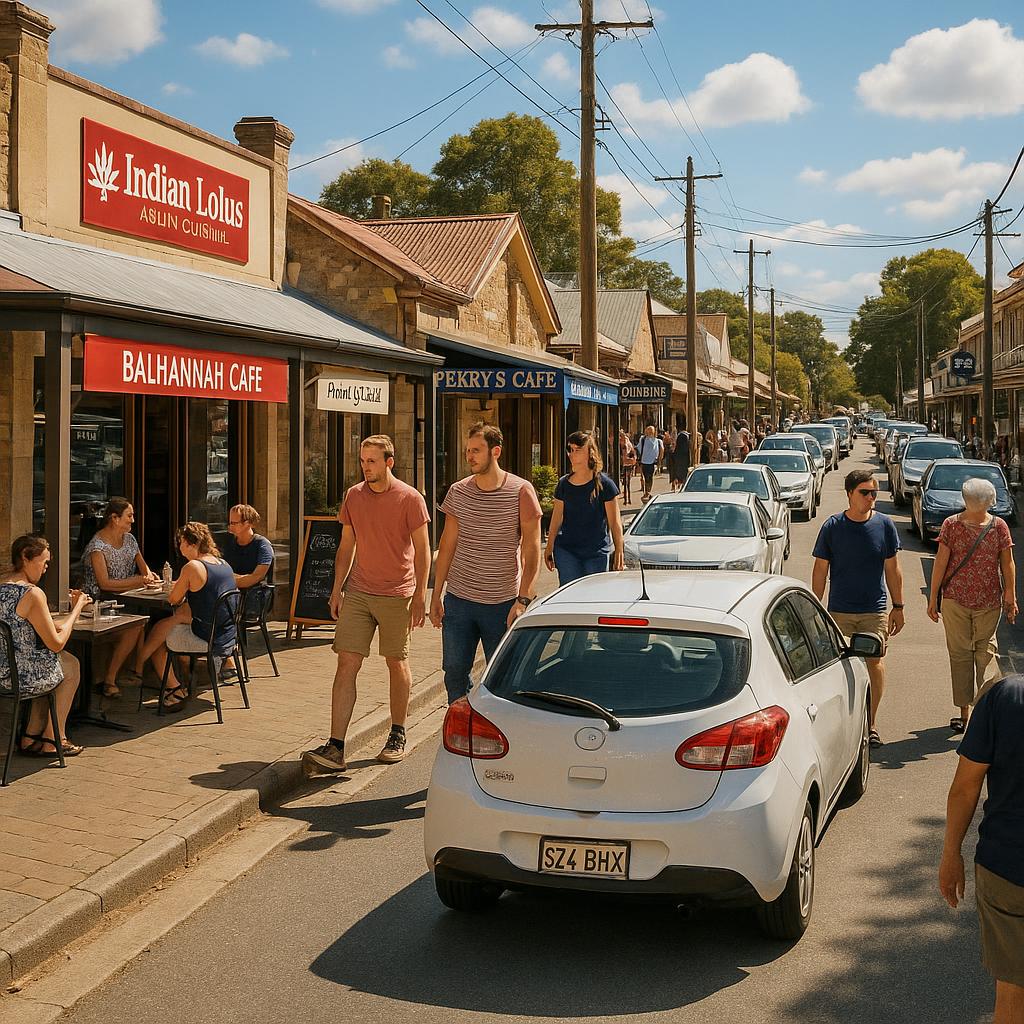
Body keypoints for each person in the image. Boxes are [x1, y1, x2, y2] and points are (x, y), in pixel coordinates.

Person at [302, 435, 430, 774]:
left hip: (397, 593)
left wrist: (421, 594)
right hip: (359, 591)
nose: (365, 467)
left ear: (389, 462)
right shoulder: (354, 496)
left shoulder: (410, 498)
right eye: (362, 461)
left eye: (371, 461)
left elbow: (422, 550)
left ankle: (397, 733)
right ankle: (335, 748)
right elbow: (346, 545)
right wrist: (336, 589)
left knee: (396, 661)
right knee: (346, 662)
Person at [430, 422, 542, 704]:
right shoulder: (458, 492)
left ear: (496, 451)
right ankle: (460, 723)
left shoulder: (521, 491)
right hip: (459, 601)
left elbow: (532, 550)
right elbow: (447, 546)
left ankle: (495, 723)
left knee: (502, 677)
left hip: (502, 604)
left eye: (476, 450)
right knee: (454, 672)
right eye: (468, 450)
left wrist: (523, 599)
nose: (470, 456)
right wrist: (436, 595)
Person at [939, 675, 1024, 1024]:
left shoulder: (1005, 696)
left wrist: (951, 854)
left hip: (1006, 869)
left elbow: (965, 786)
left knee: (1012, 993)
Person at [811, 469, 904, 747]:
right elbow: (820, 569)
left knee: (875, 662)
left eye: (874, 492)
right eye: (865, 492)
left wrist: (898, 606)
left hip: (874, 610)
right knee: (838, 667)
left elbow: (893, 569)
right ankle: (841, 724)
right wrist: (815, 607)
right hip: (838, 611)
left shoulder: (884, 525)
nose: (871, 497)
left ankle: (870, 723)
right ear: (850, 493)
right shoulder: (833, 526)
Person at [927, 479, 1017, 732]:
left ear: (965, 499)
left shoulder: (952, 524)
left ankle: (965, 714)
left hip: (956, 600)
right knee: (985, 654)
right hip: (987, 600)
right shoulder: (998, 526)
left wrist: (933, 597)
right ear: (989, 501)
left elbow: (940, 562)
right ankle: (982, 715)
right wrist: (1010, 596)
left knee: (960, 655)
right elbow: (1007, 563)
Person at [0, 535, 87, 757]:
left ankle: (30, 736)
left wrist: (65, 620)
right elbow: (56, 643)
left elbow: (37, 626)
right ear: (25, 557)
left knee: (54, 663)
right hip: (19, 676)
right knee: (70, 665)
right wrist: (77, 609)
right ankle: (54, 738)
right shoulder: (31, 593)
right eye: (44, 562)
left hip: (3, 669)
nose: (46, 568)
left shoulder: (2, 585)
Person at [140, 522, 237, 713]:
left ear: (190, 543)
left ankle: (174, 689)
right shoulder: (222, 563)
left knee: (160, 640)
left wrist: (174, 587)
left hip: (208, 635)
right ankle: (143, 669)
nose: (179, 547)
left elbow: (173, 599)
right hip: (226, 633)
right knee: (170, 624)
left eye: (181, 543)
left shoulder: (192, 566)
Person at [81, 497, 158, 698]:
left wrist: (149, 577)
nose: (133, 520)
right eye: (129, 516)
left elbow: (144, 568)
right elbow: (104, 584)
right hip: (99, 603)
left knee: (146, 616)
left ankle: (136, 671)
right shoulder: (97, 547)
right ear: (115, 518)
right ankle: (111, 678)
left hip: (127, 599)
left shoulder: (130, 539)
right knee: (136, 624)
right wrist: (138, 581)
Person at [544, 430, 624, 586]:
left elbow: (615, 523)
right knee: (570, 592)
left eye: (577, 450)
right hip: (567, 551)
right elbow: (556, 518)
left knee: (593, 595)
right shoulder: (563, 484)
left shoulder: (605, 485)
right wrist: (549, 546)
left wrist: (619, 550)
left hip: (596, 552)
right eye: (570, 449)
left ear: (590, 453)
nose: (572, 454)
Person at [636, 425, 663, 503]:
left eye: (651, 431)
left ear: (654, 432)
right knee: (645, 477)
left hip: (653, 462)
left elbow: (661, 451)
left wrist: (659, 461)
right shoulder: (643, 439)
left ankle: (648, 491)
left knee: (650, 477)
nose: (650, 432)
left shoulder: (658, 441)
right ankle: (646, 492)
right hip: (644, 461)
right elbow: (638, 448)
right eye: (648, 431)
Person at [619, 429, 636, 505]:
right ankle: (627, 499)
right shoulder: (628, 442)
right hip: (628, 464)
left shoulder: (625, 443)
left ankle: (627, 499)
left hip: (626, 464)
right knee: (627, 483)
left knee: (626, 483)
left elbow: (625, 454)